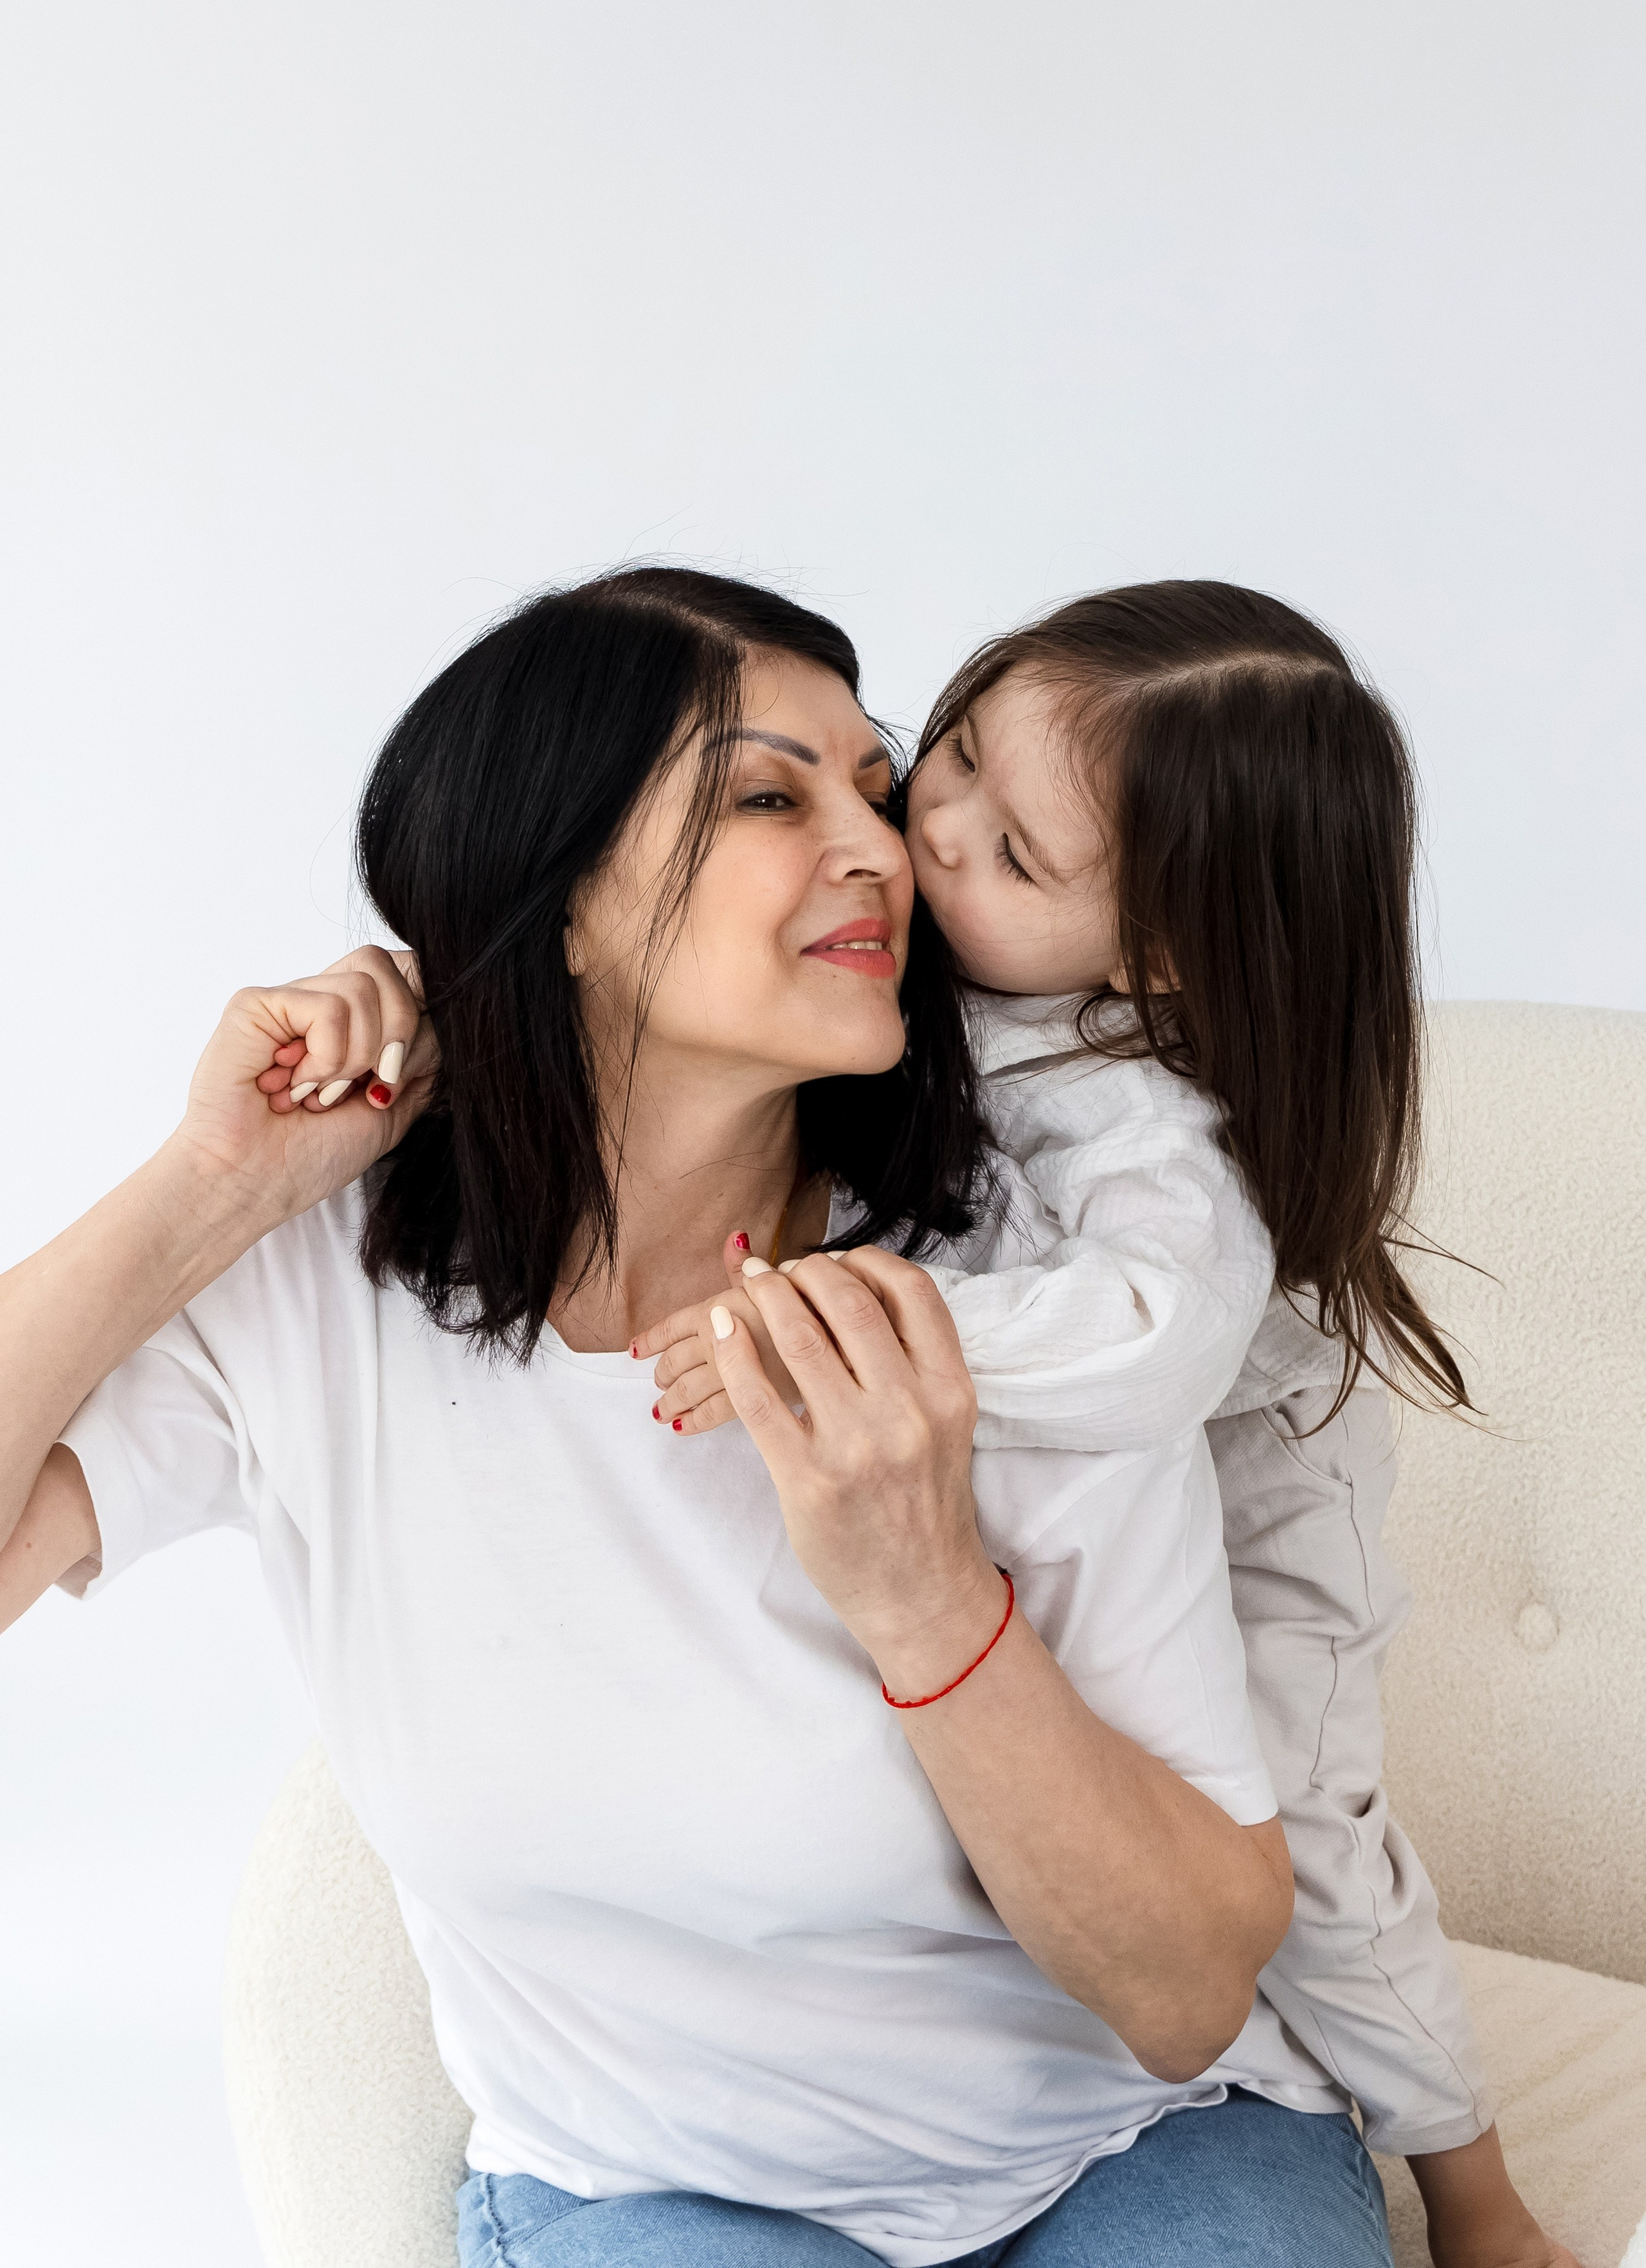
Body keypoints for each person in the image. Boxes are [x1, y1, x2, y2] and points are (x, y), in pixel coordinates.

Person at [0, 566, 1397, 2266]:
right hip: (657, 2191)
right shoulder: (321, 1288)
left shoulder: (1014, 1297)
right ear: (559, 886)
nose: (885, 848)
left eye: (875, 790)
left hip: (1129, 2150)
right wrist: (208, 1187)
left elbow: (1185, 1997)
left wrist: (927, 1594)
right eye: (765, 794)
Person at [647, 579, 1576, 2268]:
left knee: (1303, 1844)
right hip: (1071, 1498)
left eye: (1010, 857)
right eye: (951, 759)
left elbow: (1157, 1343)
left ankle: (1475, 2187)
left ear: (1154, 953)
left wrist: (861, 1330)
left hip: (1254, 1490)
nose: (926, 835)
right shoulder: (937, 918)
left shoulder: (1148, 1124)